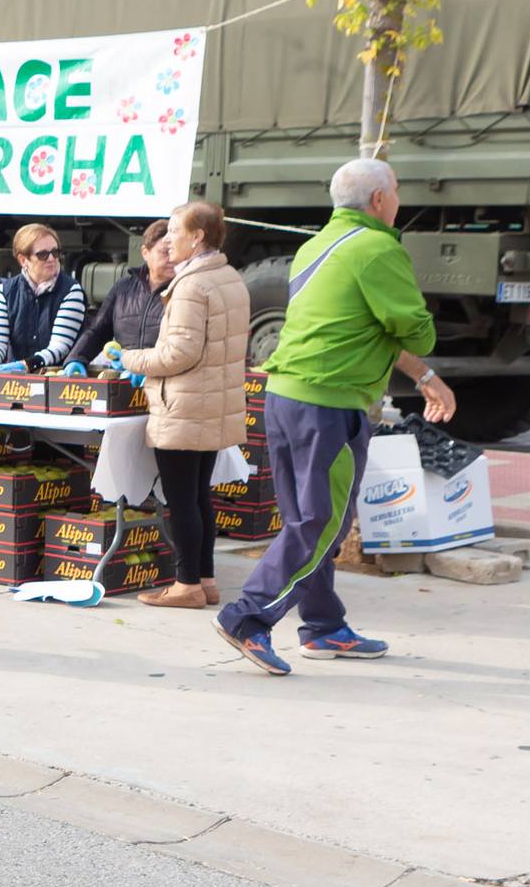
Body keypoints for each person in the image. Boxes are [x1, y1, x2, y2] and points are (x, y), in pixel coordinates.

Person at [213, 159, 453, 675]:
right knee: (320, 522)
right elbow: (414, 330)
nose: (399, 198)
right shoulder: (378, 248)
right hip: (329, 403)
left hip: (283, 397)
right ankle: (247, 616)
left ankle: (323, 626)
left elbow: (358, 326)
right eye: (397, 189)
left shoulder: (315, 245)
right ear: (380, 200)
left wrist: (423, 374)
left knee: (308, 518)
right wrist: (425, 358)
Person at [122, 203, 248, 609]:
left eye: (175, 230)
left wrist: (129, 358)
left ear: (197, 237)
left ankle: (186, 584)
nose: (167, 238)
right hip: (212, 404)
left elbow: (179, 354)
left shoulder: (193, 285)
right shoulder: (228, 277)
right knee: (198, 497)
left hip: (184, 405)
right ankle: (205, 580)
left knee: (181, 501)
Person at [0, 223, 89, 372]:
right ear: (23, 260)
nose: (51, 258)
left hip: (59, 380)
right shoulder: (3, 292)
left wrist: (26, 365)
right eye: (42, 254)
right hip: (13, 383)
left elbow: (60, 347)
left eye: (55, 252)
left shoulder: (71, 291)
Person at [71, 219, 175, 370]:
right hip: (124, 380)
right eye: (165, 252)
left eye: (174, 252)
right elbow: (98, 330)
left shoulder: (184, 291)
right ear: (145, 252)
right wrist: (77, 358)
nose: (171, 259)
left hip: (161, 381)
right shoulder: (123, 288)